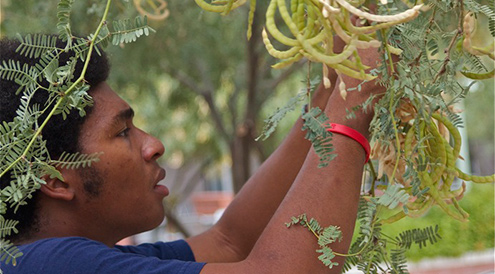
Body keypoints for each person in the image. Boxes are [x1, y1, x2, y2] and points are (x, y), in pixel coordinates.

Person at [0, 34, 384, 273]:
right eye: (122, 133)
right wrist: (354, 107)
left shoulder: (52, 258)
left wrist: (329, 90)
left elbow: (230, 242)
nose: (154, 145)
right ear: (54, 178)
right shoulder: (53, 265)